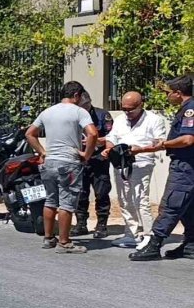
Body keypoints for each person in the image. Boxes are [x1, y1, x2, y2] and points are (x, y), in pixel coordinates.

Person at [26, 81, 99, 253]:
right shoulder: (79, 112)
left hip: (49, 163)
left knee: (50, 200)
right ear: (76, 95)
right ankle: (64, 242)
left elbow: (29, 133)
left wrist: (42, 152)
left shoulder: (47, 112)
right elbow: (93, 133)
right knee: (67, 203)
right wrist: (86, 155)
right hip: (68, 163)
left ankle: (48, 238)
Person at [130, 75, 194, 261]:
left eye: (168, 93)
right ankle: (191, 244)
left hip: (186, 167)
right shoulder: (187, 109)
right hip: (187, 165)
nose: (167, 96)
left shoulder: (190, 110)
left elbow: (188, 139)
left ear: (178, 93)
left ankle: (154, 244)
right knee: (189, 207)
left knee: (172, 204)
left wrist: (162, 145)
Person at [101, 91, 167, 248]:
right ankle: (131, 233)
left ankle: (149, 235)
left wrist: (141, 149)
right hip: (121, 163)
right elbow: (112, 138)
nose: (127, 112)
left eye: (130, 109)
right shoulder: (119, 119)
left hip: (142, 163)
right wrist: (109, 149)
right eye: (124, 109)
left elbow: (160, 142)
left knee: (141, 199)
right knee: (124, 199)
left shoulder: (154, 120)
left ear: (140, 105)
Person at [71, 91, 113, 238]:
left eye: (86, 105)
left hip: (98, 160)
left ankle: (101, 224)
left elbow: (113, 135)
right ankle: (81, 223)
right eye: (80, 106)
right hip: (80, 160)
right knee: (80, 193)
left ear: (89, 102)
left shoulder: (102, 115)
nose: (84, 108)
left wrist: (98, 141)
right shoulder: (73, 115)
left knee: (101, 192)